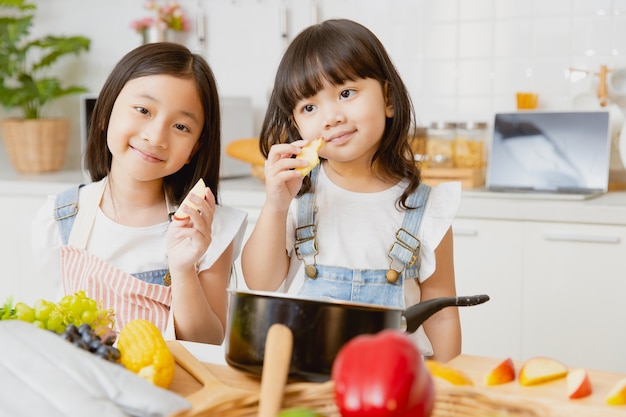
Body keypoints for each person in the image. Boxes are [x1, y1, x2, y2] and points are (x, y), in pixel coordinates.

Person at [241, 19, 462, 361]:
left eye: (346, 93)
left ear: (388, 99)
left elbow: (442, 312)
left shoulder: (427, 209)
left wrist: (447, 390)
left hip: (394, 388)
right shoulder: (295, 198)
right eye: (309, 107)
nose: (331, 117)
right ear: (296, 125)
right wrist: (274, 206)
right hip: (309, 377)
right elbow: (260, 283)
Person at [32, 42, 247, 345]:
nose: (156, 136)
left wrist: (183, 268)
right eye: (143, 110)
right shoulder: (62, 215)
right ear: (106, 112)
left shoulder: (210, 228)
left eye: (181, 126)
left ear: (194, 149)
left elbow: (206, 341)